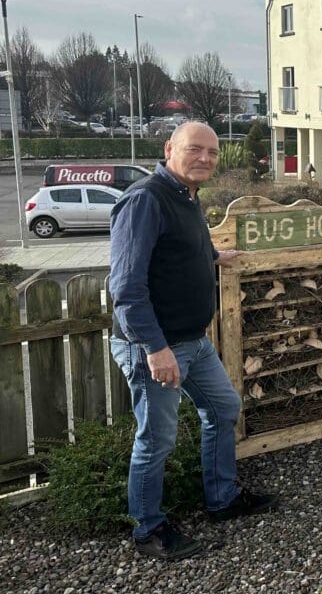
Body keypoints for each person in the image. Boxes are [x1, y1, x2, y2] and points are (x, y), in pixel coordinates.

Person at [109, 122, 277, 560]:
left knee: (223, 408)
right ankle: (148, 528)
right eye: (195, 150)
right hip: (156, 345)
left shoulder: (186, 195)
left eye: (213, 153)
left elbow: (180, 246)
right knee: (156, 440)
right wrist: (155, 348)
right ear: (169, 149)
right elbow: (126, 287)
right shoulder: (145, 199)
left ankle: (221, 500)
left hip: (193, 340)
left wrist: (217, 255)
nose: (205, 158)